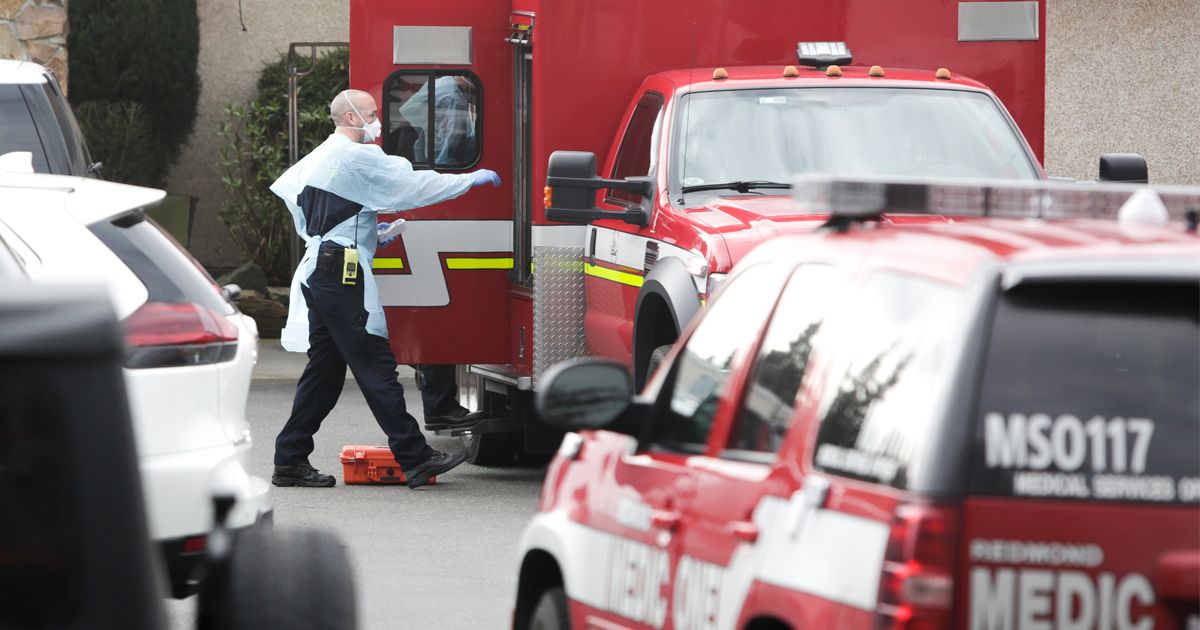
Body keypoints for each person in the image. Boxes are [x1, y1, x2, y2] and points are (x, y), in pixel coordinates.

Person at [269, 89, 501, 489]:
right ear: (351, 116)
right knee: (375, 365)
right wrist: (466, 181)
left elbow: (319, 213)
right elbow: (410, 186)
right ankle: (415, 456)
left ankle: (289, 459)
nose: (378, 119)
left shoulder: (323, 157)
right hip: (342, 271)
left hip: (324, 266)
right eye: (373, 113)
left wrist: (367, 234)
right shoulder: (353, 155)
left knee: (323, 375)